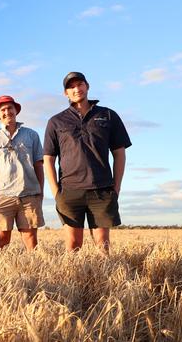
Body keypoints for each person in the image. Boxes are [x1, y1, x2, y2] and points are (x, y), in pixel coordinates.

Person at [43, 72, 132, 253]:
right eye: (71, 87)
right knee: (73, 244)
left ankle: (104, 281)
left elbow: (119, 153)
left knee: (103, 245)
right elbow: (48, 158)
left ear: (87, 86)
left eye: (80, 84)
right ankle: (72, 280)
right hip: (70, 190)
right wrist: (55, 191)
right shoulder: (56, 121)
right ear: (65, 93)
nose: (77, 89)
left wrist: (117, 186)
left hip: (101, 189)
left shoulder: (108, 115)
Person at [0, 95, 45, 250]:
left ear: (16, 111)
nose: (7, 112)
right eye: (3, 109)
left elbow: (38, 166)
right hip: (1, 196)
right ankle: (1, 273)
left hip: (29, 194)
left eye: (10, 108)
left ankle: (33, 271)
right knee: (2, 241)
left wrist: (40, 192)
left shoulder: (32, 135)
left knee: (31, 241)